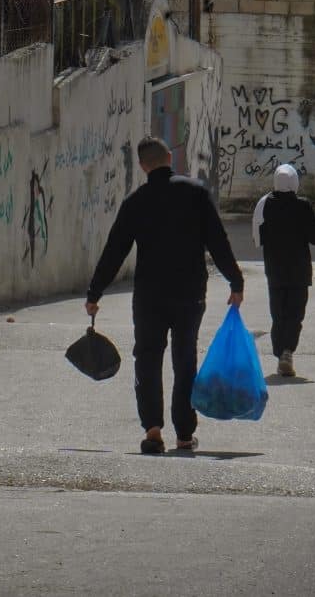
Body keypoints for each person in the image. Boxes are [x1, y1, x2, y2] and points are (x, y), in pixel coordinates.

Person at [85, 136, 244, 455]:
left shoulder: (136, 202)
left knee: (147, 358)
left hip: (149, 297)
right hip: (190, 294)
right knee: (185, 359)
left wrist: (95, 293)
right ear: (170, 158)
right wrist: (235, 282)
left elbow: (114, 250)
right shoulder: (197, 194)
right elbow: (218, 241)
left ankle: (153, 431)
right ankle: (184, 434)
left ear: (142, 166)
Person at [252, 164, 315, 377]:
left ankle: (280, 352)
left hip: (274, 270)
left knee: (278, 314)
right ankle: (287, 352)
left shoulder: (264, 205)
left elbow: (257, 238)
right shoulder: (303, 206)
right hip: (299, 272)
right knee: (295, 314)